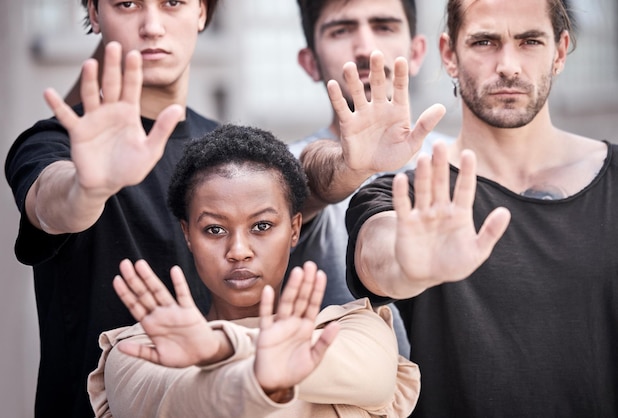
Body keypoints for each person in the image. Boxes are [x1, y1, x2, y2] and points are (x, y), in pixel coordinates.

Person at [307, 0, 618, 416]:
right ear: (449, 54)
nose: (508, 65)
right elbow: (378, 254)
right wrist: (406, 267)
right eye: (485, 41)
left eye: (529, 41)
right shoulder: (403, 192)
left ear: (559, 52)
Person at [87, 124, 420, 417]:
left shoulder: (356, 328)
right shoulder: (135, 351)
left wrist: (222, 349)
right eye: (215, 229)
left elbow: (373, 380)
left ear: (293, 230)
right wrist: (259, 376)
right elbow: (188, 402)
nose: (239, 252)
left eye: (261, 226)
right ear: (188, 234)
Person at [4, 0, 221, 416]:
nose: (152, 26)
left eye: (173, 2)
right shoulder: (52, 143)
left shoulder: (235, 152)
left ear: (202, 11)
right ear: (95, 13)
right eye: (127, 3)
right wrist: (88, 188)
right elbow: (52, 204)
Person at [289, 0, 453, 357]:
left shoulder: (464, 164)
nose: (365, 48)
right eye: (341, 30)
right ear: (309, 62)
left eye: (384, 26)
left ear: (417, 52)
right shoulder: (274, 169)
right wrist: (352, 166)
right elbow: (302, 183)